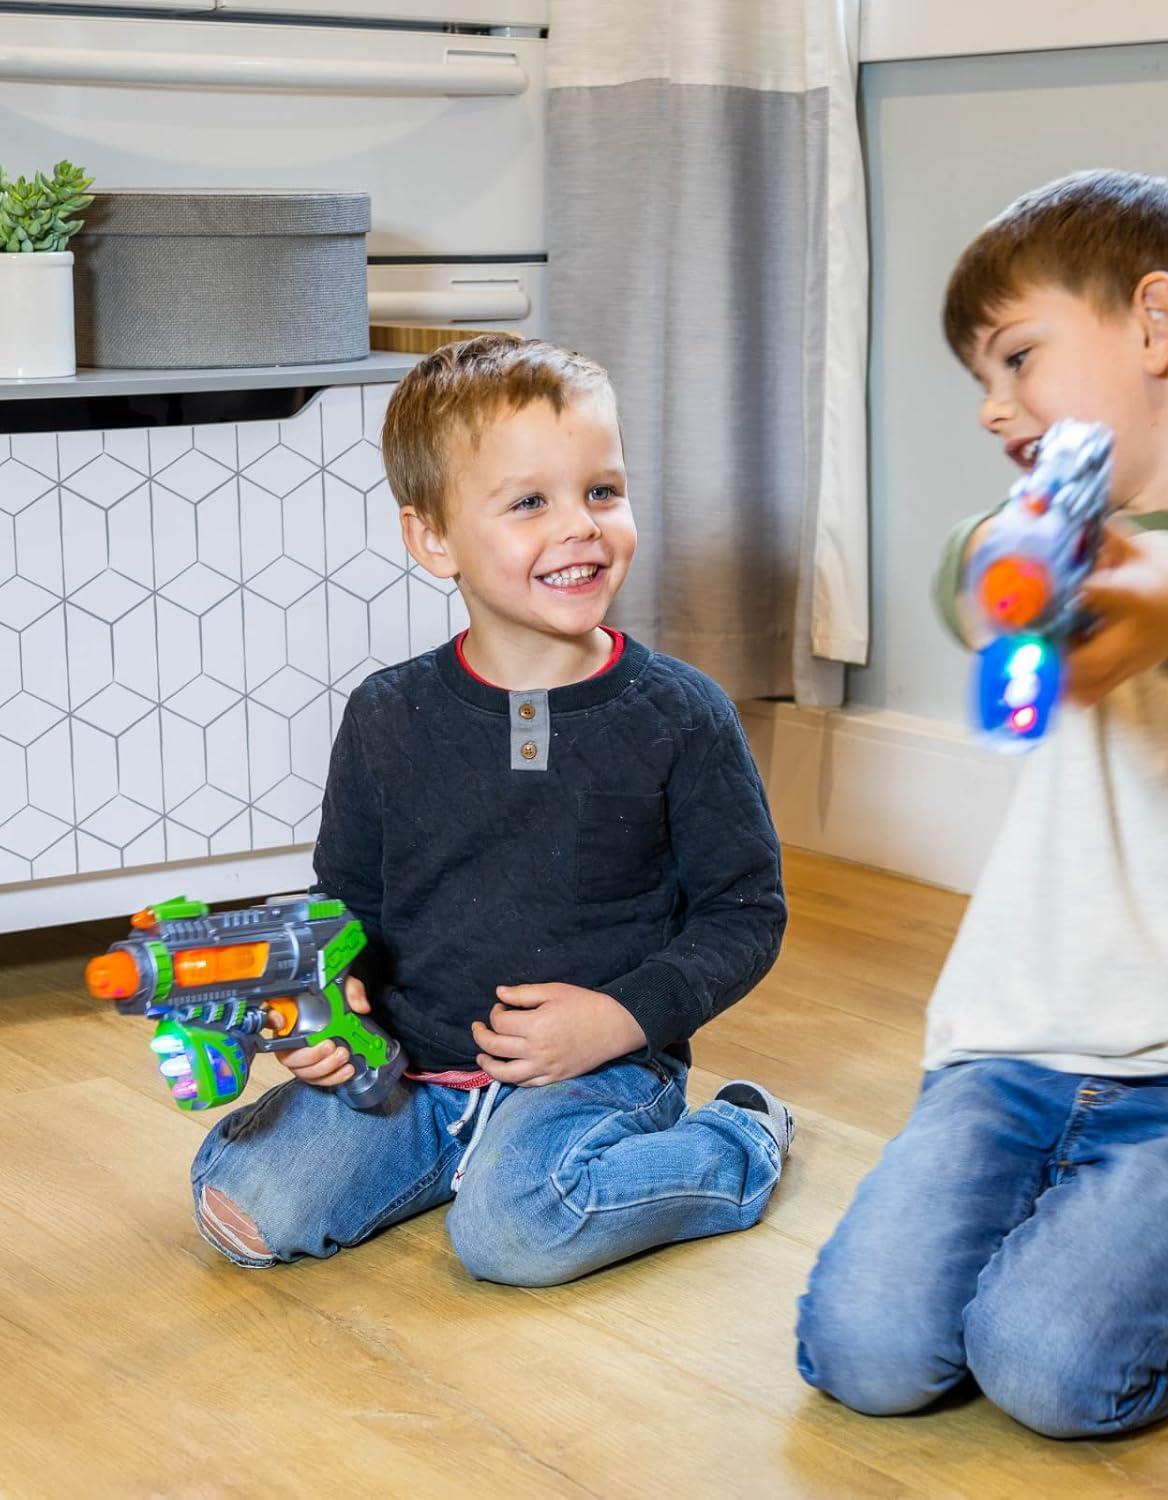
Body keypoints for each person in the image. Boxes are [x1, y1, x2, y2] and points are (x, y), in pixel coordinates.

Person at [796, 169, 1168, 1437]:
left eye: (1017, 357)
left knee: (1054, 1375)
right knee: (865, 1357)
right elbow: (975, 582)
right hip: (1008, 1051)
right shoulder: (1028, 537)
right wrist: (1023, 567)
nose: (992, 406)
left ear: (1156, 324)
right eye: (982, 379)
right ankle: (1110, 1231)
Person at [191, 335, 793, 1286]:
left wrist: (619, 1019)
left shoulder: (682, 714)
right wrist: (331, 1004)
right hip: (412, 1068)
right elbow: (346, 904)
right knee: (244, 1206)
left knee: (514, 1236)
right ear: (433, 538)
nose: (581, 526)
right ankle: (465, 1153)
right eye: (529, 503)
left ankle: (736, 1139)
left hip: (597, 1069)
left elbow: (744, 915)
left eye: (602, 491)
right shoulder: (387, 714)